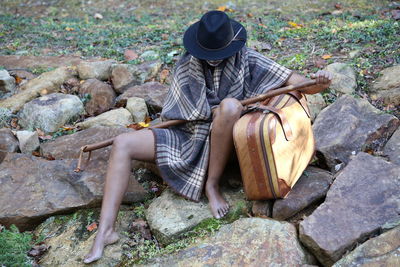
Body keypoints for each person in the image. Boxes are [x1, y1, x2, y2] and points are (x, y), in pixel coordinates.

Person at [83, 10, 332, 264]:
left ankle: (211, 185)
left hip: (228, 142)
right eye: (208, 54)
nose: (213, 60)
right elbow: (179, 114)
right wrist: (208, 113)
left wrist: (318, 83)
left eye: (218, 54)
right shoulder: (186, 65)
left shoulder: (248, 59)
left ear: (231, 45)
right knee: (122, 143)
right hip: (187, 137)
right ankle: (105, 231)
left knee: (231, 107)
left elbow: (298, 82)